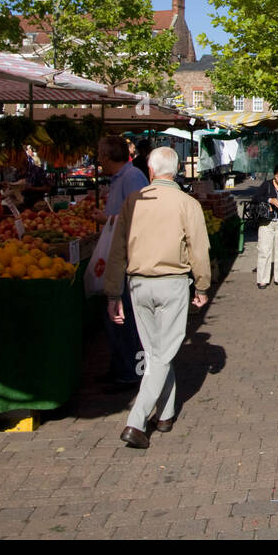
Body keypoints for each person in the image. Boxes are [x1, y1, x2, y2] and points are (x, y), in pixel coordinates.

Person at [103, 147, 211, 449]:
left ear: (150, 171)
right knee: (161, 354)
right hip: (172, 282)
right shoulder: (186, 203)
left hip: (138, 283)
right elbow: (199, 250)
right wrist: (201, 286)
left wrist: (113, 290)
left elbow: (117, 249)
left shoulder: (132, 201)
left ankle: (165, 412)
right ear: (174, 171)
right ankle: (136, 421)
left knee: (154, 353)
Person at [97, 134, 150, 389]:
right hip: (119, 257)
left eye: (100, 154)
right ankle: (121, 367)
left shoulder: (131, 177)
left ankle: (130, 371)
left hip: (129, 258)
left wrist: (107, 219)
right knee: (116, 317)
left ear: (107, 157)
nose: (98, 159)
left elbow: (140, 214)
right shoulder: (120, 178)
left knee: (125, 316)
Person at [252, 164, 278, 288]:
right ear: (274, 175)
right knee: (264, 250)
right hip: (266, 222)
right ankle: (262, 279)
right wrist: (270, 200)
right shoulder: (267, 185)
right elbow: (255, 198)